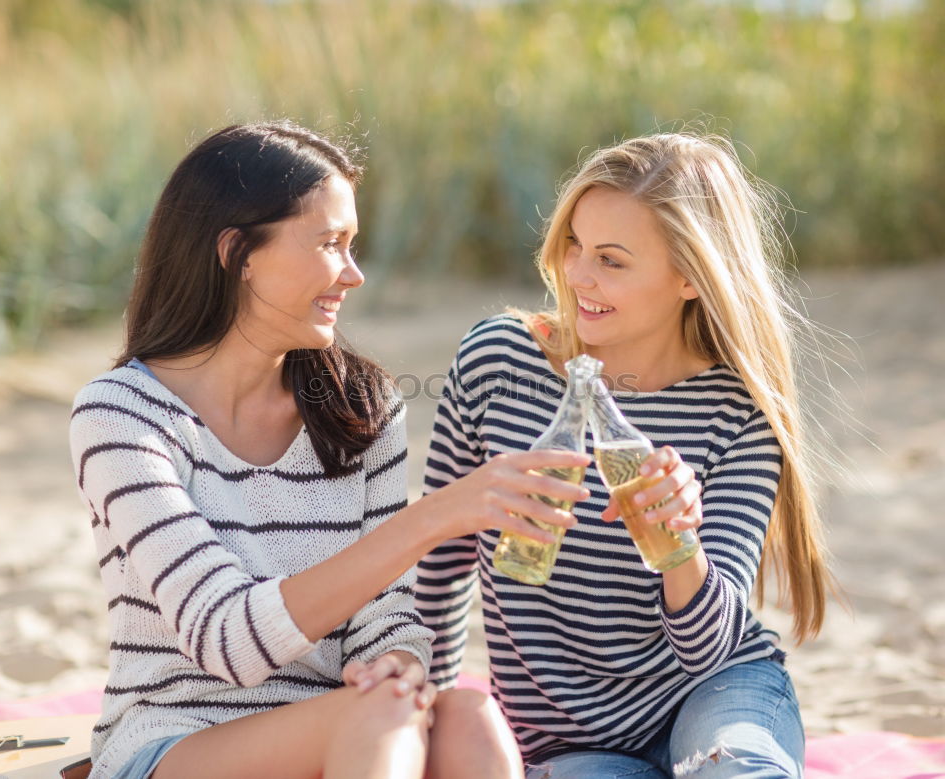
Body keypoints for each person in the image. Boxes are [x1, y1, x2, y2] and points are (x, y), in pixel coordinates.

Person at [68, 120, 594, 779]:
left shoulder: (362, 405)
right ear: (238, 254)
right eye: (330, 244)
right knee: (378, 718)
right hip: (176, 741)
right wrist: (434, 517)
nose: (355, 274)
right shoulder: (120, 412)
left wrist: (396, 661)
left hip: (347, 734)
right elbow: (227, 637)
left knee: (470, 721)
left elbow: (388, 617)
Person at [415, 132, 835, 778]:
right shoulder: (497, 362)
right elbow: (439, 561)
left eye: (611, 260)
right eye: (575, 244)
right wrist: (427, 711)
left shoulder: (738, 411)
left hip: (716, 693)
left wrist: (679, 545)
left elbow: (710, 649)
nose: (578, 275)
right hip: (569, 740)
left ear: (690, 276)